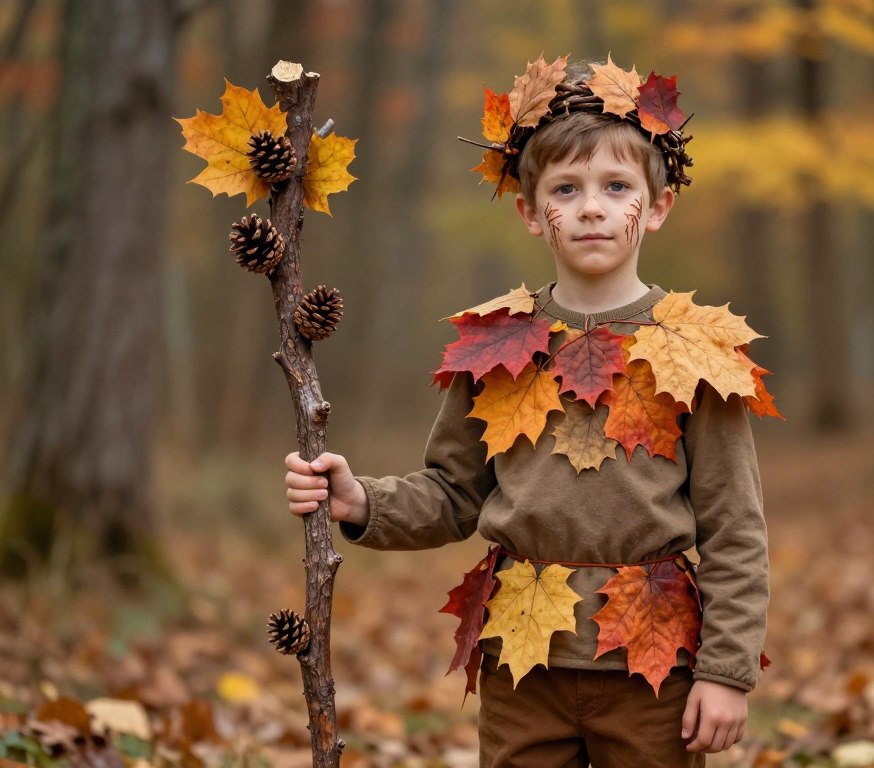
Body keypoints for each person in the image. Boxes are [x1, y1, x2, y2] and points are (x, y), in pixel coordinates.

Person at [285, 55, 773, 768]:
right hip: (523, 654)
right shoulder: (498, 345)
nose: (591, 207)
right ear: (529, 211)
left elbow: (735, 527)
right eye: (566, 189)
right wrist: (362, 501)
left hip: (654, 657)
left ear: (659, 206)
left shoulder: (695, 352)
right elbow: (454, 494)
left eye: (616, 186)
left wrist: (727, 673)